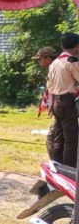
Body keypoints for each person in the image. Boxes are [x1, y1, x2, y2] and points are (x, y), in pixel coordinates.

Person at [47, 32, 79, 166]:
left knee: (58, 136)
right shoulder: (72, 61)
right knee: (71, 139)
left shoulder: (55, 62)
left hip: (55, 101)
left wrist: (50, 103)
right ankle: (68, 169)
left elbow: (49, 85)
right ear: (77, 46)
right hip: (67, 102)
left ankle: (56, 164)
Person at [34, 45, 60, 159]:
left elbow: (55, 88)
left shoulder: (56, 67)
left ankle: (57, 164)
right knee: (55, 136)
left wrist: (51, 104)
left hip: (63, 104)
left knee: (53, 137)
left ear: (48, 58)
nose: (38, 62)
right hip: (60, 104)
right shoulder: (56, 66)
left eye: (40, 59)